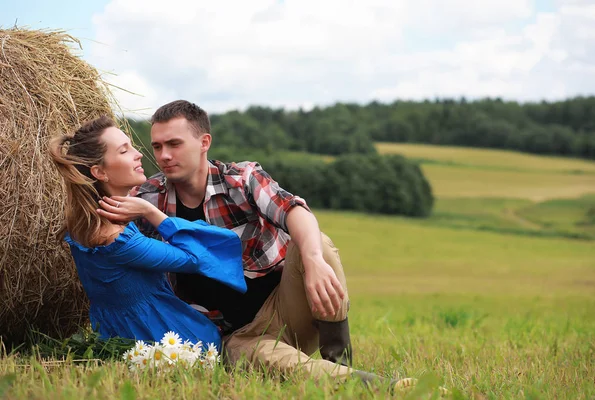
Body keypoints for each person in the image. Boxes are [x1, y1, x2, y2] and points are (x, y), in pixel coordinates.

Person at [100, 100, 427, 393]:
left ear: (204, 143)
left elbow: (293, 210)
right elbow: (108, 235)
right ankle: (380, 388)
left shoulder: (241, 179)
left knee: (318, 244)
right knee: (290, 368)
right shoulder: (149, 198)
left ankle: (338, 355)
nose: (164, 156)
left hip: (287, 305)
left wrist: (312, 260)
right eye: (157, 146)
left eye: (174, 143)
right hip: (238, 334)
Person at [49, 115, 247, 350]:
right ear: (100, 172)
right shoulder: (117, 239)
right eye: (124, 151)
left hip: (121, 336)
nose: (139, 153)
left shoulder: (92, 223)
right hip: (163, 340)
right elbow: (197, 257)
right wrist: (152, 212)